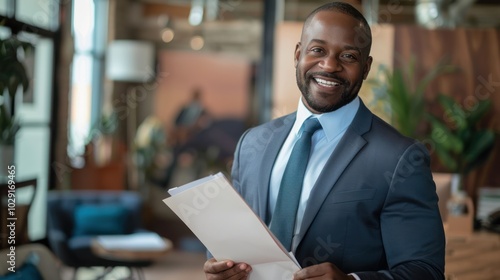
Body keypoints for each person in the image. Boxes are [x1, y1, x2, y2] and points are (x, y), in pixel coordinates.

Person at [203, 2, 445, 280]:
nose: (330, 65)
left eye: (349, 56)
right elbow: (230, 241)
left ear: (365, 68)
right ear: (297, 54)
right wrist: (219, 268)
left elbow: (425, 272)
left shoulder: (400, 158)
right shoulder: (252, 143)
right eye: (317, 50)